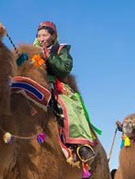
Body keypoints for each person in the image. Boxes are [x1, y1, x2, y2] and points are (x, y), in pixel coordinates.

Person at [34, 21, 99, 163]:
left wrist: (48, 56)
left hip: (56, 85)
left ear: (53, 36)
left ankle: (81, 144)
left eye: (44, 35)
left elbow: (64, 69)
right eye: (39, 36)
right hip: (36, 84)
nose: (41, 39)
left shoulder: (60, 50)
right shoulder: (32, 50)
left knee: (69, 107)